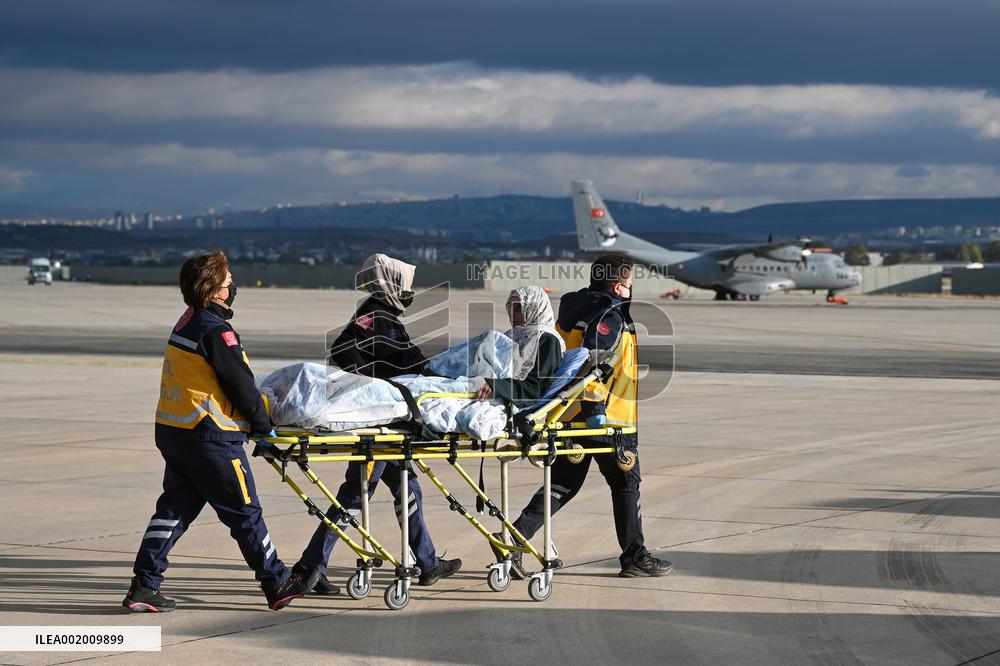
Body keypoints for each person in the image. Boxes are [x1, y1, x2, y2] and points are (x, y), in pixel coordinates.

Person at [123, 251, 319, 613]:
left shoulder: (186, 323)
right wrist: (263, 426)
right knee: (245, 513)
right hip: (210, 438)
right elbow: (240, 385)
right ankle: (276, 582)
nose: (233, 287)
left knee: (173, 511)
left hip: (176, 432)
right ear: (213, 289)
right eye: (229, 282)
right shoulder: (216, 331)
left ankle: (144, 585)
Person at [292, 254, 461, 589]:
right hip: (381, 425)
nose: (409, 293)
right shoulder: (375, 314)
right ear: (391, 285)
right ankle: (310, 566)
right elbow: (343, 348)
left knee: (407, 488)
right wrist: (370, 385)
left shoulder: (386, 317)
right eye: (405, 286)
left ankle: (427, 563)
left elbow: (409, 360)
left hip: (393, 426)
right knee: (355, 495)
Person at [504, 254, 673, 579]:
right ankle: (635, 556)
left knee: (564, 484)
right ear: (616, 284)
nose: (630, 290)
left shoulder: (573, 312)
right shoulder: (608, 315)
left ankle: (514, 538)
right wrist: (595, 410)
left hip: (567, 416)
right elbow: (593, 366)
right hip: (608, 422)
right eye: (628, 284)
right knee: (626, 484)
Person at [474, 284, 565, 406]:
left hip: (499, 396)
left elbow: (536, 388)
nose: (511, 313)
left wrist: (497, 386)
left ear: (534, 308)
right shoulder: (511, 335)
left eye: (517, 307)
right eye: (509, 307)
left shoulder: (547, 340)